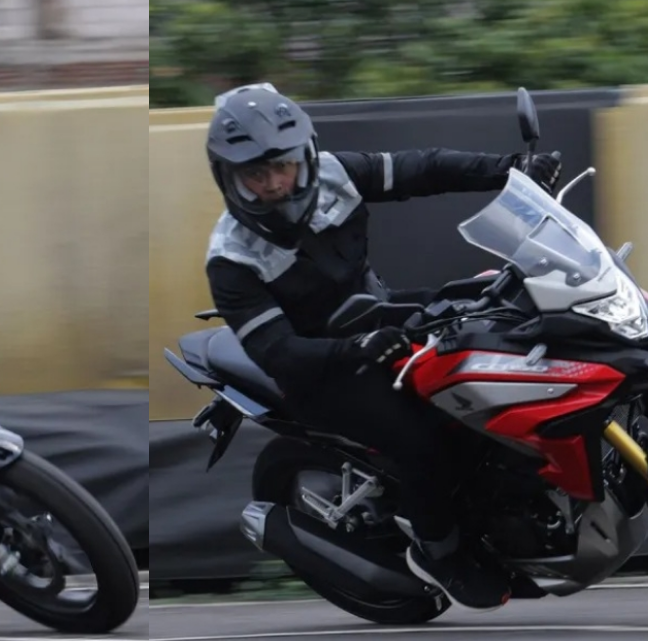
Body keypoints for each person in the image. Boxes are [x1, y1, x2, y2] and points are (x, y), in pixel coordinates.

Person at [203, 83, 563, 611]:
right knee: (422, 438)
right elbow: (279, 352)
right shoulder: (231, 259)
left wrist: (510, 171)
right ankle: (439, 549)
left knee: (495, 315)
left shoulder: (336, 174)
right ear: (229, 179)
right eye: (255, 175)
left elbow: (424, 168)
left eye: (282, 166)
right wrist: (356, 349)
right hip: (321, 372)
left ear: (305, 156)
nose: (275, 183)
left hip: (379, 316)